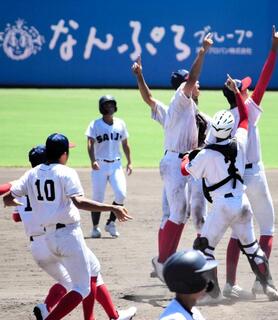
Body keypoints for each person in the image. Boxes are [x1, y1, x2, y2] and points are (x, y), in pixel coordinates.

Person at [3, 133, 132, 320]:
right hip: (68, 235)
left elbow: (7, 199)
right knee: (81, 288)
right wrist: (112, 207)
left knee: (93, 268)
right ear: (64, 154)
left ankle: (106, 316)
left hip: (48, 238)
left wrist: (38, 207)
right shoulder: (66, 172)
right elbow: (79, 202)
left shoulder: (32, 173)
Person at [181, 76, 278, 302]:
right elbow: (244, 116)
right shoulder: (240, 142)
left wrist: (186, 158)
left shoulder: (206, 155)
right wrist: (237, 93)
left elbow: (185, 170)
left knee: (203, 247)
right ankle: (268, 285)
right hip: (242, 203)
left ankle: (211, 291)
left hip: (223, 207)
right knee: (253, 249)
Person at [206, 25, 278, 298]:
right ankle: (262, 282)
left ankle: (229, 284)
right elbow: (264, 80)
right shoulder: (248, 110)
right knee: (268, 228)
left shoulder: (222, 119)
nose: (250, 92)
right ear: (241, 95)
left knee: (237, 234)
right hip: (255, 178)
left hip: (233, 182)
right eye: (245, 90)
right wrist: (274, 48)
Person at [131, 33, 213, 281]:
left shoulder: (181, 110)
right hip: (177, 163)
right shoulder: (180, 99)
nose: (197, 84)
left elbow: (148, 99)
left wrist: (139, 76)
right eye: (191, 82)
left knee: (192, 214)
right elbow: (193, 78)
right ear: (183, 84)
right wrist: (201, 53)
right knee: (179, 214)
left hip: (187, 163)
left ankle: (181, 260)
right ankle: (164, 262)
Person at [86, 95, 132, 238]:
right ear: (101, 107)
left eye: (111, 104)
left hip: (116, 165)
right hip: (100, 164)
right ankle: (95, 228)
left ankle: (110, 223)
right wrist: (93, 160)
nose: (110, 107)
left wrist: (129, 161)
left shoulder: (120, 123)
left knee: (121, 194)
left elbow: (125, 144)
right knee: (97, 199)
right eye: (107, 105)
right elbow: (90, 143)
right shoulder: (95, 124)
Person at [159, 250, 217, 320]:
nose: (208, 282)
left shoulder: (193, 311)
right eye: (204, 277)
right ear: (192, 283)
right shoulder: (174, 318)